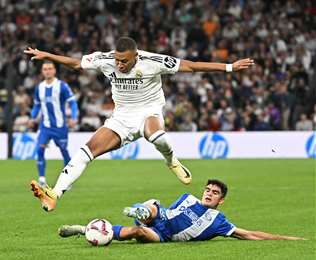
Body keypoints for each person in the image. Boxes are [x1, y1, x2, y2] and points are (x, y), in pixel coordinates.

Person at [24, 37, 254, 211]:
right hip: (121, 118)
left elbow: (191, 66)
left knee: (156, 136)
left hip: (148, 111)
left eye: (124, 61)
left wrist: (229, 67)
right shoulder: (106, 60)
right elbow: (76, 63)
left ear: (136, 56)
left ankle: (171, 160)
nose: (119, 65)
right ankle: (54, 194)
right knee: (86, 151)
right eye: (117, 60)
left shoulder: (153, 61)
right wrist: (48, 56)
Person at [59, 179, 304, 242]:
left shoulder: (218, 221)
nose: (209, 193)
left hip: (164, 236)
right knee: (154, 207)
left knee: (139, 233)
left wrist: (284, 238)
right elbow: (169, 212)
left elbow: (249, 234)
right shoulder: (187, 198)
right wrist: (153, 213)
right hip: (162, 216)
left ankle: (84, 229)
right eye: (208, 189)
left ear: (221, 201)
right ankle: (140, 210)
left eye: (215, 193)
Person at [28, 61, 78, 187]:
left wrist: (74, 117)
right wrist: (32, 117)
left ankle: (68, 180)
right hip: (45, 126)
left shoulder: (62, 86)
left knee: (64, 151)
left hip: (60, 126)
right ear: (42, 71)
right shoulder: (39, 88)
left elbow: (72, 102)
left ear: (54, 71)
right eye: (45, 69)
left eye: (50, 68)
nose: (48, 71)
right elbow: (37, 105)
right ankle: (42, 180)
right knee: (39, 149)